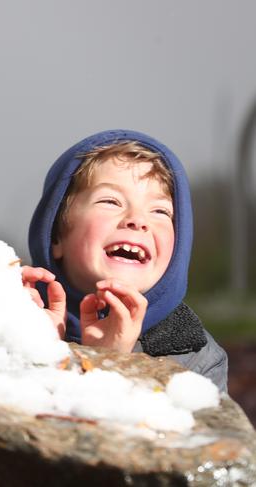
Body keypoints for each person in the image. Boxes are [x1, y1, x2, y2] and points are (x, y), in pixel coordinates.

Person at [26, 129, 227, 391]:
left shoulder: (196, 357)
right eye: (111, 201)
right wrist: (38, 355)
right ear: (56, 237)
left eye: (160, 210)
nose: (138, 220)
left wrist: (111, 364)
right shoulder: (11, 323)